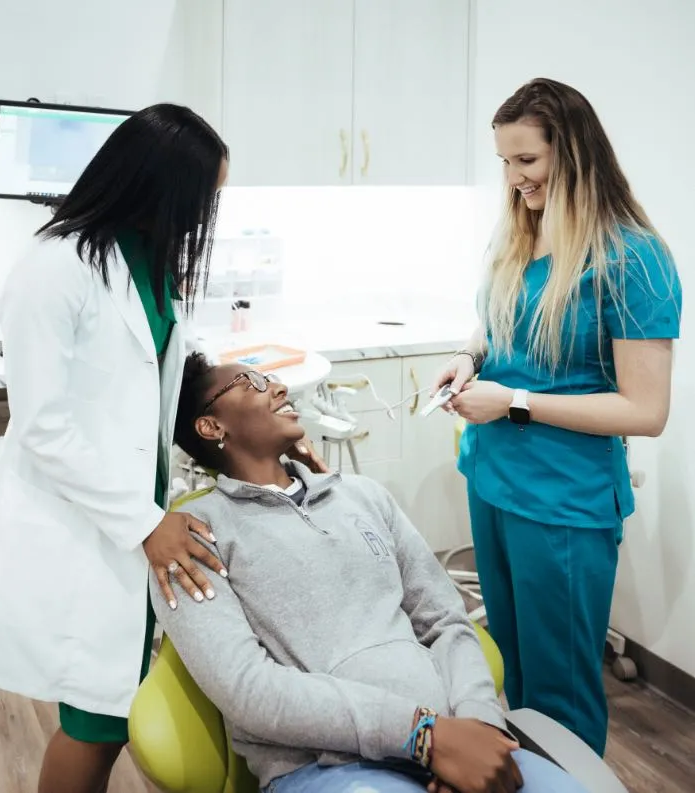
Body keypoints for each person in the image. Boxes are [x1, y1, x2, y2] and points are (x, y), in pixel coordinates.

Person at [0, 103, 238, 793]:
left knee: (113, 707)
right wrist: (146, 523)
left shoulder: (149, 257)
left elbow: (150, 379)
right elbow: (45, 425)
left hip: (134, 525)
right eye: (203, 198)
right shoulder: (54, 268)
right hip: (89, 529)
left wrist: (220, 411)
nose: (206, 215)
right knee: (96, 719)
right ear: (158, 185)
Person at [152, 352, 592, 793]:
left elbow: (445, 621)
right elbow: (248, 690)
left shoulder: (362, 496)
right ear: (211, 427)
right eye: (252, 383)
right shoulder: (192, 538)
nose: (280, 387)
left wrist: (481, 724)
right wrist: (422, 735)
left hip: (458, 737)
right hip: (331, 768)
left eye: (272, 378)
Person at [430, 78, 683, 757]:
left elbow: (645, 410)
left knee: (560, 688)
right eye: (504, 164)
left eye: (526, 162)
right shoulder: (524, 234)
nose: (512, 180)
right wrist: (467, 354)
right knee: (509, 667)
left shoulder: (632, 259)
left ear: (571, 155)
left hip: (562, 503)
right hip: (493, 478)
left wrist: (513, 401)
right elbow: (498, 329)